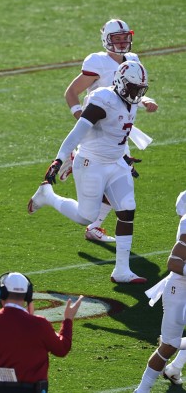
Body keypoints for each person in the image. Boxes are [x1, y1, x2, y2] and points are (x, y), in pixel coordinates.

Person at [28, 60, 149, 284]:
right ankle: (48, 197)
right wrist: (59, 159)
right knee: (86, 216)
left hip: (115, 163)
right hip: (91, 163)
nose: (137, 93)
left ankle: (121, 270)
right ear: (122, 84)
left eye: (141, 89)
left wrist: (123, 155)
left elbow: (116, 134)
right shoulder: (104, 100)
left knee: (127, 210)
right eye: (133, 88)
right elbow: (77, 132)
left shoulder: (129, 100)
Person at [61, 19, 158, 243]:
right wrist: (81, 117)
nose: (123, 42)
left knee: (116, 178)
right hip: (101, 127)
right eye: (117, 38)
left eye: (125, 38)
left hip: (120, 126)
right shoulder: (98, 62)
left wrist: (147, 101)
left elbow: (134, 91)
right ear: (107, 40)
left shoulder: (133, 60)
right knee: (118, 176)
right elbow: (71, 92)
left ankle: (94, 227)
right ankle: (77, 158)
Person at [0, 272, 82, 392]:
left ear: (0, 293)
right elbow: (62, 349)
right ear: (28, 294)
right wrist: (68, 319)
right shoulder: (39, 324)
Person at [134, 191, 186, 391]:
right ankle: (142, 389)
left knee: (170, 344)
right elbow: (173, 262)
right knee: (168, 346)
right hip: (178, 289)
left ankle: (174, 368)